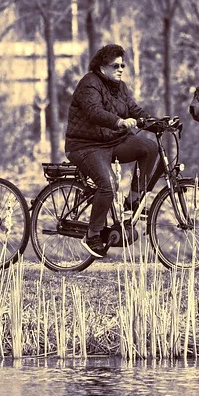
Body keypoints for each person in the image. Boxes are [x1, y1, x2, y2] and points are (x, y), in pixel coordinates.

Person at [64, 44, 162, 258]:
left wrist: (156, 123)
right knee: (108, 185)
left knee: (150, 148)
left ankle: (133, 200)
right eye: (115, 65)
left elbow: (134, 110)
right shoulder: (89, 83)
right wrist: (119, 121)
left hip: (112, 142)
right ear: (101, 67)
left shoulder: (120, 87)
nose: (120, 69)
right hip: (85, 145)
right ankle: (93, 234)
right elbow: (93, 112)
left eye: (122, 65)